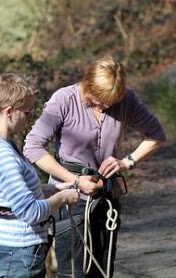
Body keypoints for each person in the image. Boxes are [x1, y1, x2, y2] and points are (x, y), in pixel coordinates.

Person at [24, 54, 166, 278]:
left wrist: (127, 162)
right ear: (87, 84)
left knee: (103, 270)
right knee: (73, 273)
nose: (107, 105)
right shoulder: (64, 99)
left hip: (107, 197)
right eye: (101, 99)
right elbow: (33, 147)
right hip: (69, 200)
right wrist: (75, 180)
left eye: (112, 101)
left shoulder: (127, 99)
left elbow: (156, 135)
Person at [0, 73, 80, 278]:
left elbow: (14, 192)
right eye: (28, 112)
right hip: (19, 254)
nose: (31, 118)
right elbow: (30, 212)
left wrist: (61, 187)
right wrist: (63, 198)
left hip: (13, 249)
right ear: (9, 112)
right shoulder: (2, 156)